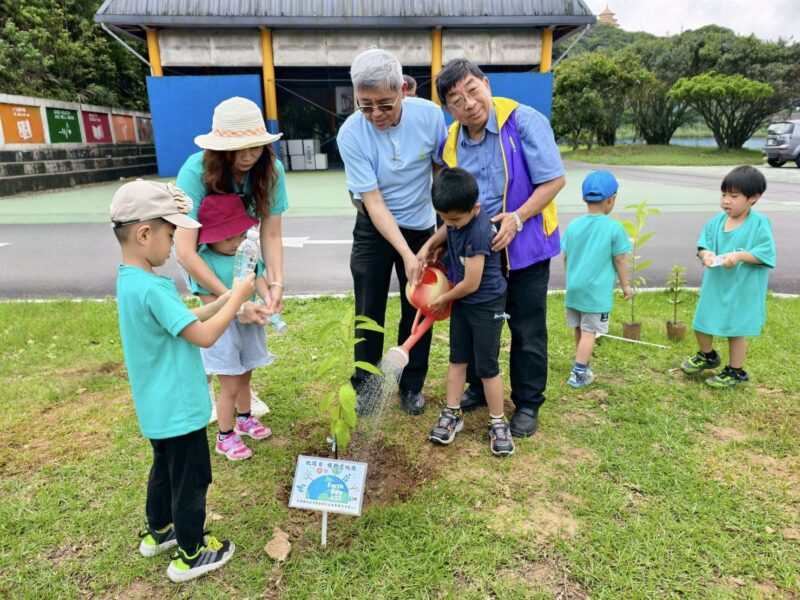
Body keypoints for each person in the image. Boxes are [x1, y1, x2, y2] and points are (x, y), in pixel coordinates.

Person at [111, 180, 254, 582]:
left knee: (165, 470)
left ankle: (159, 531)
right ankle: (190, 553)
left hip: (157, 407)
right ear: (145, 234)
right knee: (191, 479)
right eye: (171, 235)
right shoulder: (154, 288)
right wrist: (238, 296)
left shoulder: (131, 280)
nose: (174, 245)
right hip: (180, 406)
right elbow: (203, 336)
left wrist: (223, 301)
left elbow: (183, 321)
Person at [433, 58, 565, 436]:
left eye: (473, 91)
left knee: (526, 327)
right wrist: (439, 242)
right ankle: (477, 387)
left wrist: (517, 218)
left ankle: (527, 402)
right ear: (449, 109)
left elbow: (554, 180)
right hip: (476, 251)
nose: (469, 104)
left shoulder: (523, 121)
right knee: (477, 321)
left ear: (486, 84)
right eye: (456, 101)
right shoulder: (451, 140)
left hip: (524, 245)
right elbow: (455, 198)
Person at [337, 48, 447, 415]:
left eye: (385, 104)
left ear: (402, 90)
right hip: (374, 225)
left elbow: (440, 172)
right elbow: (374, 202)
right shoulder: (351, 134)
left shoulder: (430, 116)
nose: (376, 114)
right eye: (365, 106)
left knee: (419, 304)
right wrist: (405, 253)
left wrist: (440, 233)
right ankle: (366, 384)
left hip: (421, 226)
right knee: (369, 308)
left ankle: (411, 384)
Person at [175, 96, 288, 418]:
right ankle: (209, 387)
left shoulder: (271, 170)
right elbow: (185, 251)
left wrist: (276, 284)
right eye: (239, 149)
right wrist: (233, 301)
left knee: (244, 328)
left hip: (241, 251)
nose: (248, 156)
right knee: (217, 327)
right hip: (203, 256)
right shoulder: (194, 171)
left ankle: (241, 393)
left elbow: (271, 234)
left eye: (255, 147)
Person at [419, 168, 513, 456]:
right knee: (457, 357)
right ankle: (452, 412)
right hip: (463, 302)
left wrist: (444, 299)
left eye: (455, 220)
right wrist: (429, 245)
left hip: (485, 304)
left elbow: (471, 283)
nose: (450, 225)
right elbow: (447, 229)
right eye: (444, 218)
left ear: (476, 209)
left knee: (487, 366)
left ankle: (498, 422)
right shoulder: (456, 220)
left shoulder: (479, 233)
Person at [193, 194, 276, 460]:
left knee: (244, 378)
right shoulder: (204, 261)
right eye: (229, 238)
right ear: (210, 236)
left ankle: (244, 418)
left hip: (247, 327)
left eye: (240, 235)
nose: (237, 242)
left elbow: (257, 276)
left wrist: (268, 298)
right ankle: (225, 435)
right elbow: (209, 302)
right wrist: (238, 308)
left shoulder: (245, 251)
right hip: (223, 332)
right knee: (228, 385)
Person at [680, 166, 775, 388]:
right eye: (724, 194)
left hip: (742, 289)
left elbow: (766, 254)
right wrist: (706, 255)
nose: (726, 201)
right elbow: (703, 245)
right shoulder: (717, 221)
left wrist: (740, 256)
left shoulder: (759, 223)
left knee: (736, 330)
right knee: (701, 322)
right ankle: (707, 355)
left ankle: (735, 371)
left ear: (753, 197)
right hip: (716, 285)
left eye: (734, 196)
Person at [561, 170, 632, 388]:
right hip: (595, 292)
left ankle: (582, 363)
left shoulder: (574, 226)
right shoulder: (614, 228)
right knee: (590, 331)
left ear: (584, 197)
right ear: (611, 199)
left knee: (579, 328)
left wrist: (572, 278)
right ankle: (579, 373)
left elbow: (565, 257)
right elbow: (620, 259)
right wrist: (626, 285)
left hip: (574, 288)